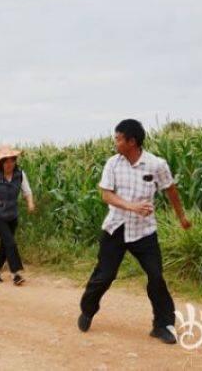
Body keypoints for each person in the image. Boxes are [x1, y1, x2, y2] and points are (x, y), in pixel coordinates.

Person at [78, 119, 192, 345]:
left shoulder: (156, 164)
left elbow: (170, 189)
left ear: (132, 142)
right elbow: (106, 195)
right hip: (116, 228)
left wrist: (181, 217)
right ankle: (88, 310)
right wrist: (132, 206)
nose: (115, 142)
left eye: (119, 138)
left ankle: (163, 325)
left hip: (144, 231)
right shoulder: (113, 163)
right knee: (105, 275)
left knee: (156, 276)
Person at [0, 145, 35, 285]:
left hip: (12, 216)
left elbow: (27, 191)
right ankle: (15, 273)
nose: (9, 164)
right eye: (6, 161)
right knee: (10, 242)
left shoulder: (20, 175)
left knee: (6, 245)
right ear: (0, 163)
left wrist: (30, 203)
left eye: (12, 160)